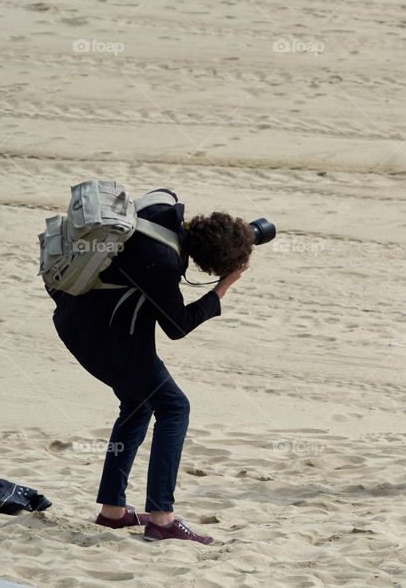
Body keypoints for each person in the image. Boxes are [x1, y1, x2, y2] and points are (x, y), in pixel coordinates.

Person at [47, 189, 253, 544]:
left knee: (138, 404)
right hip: (107, 340)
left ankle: (112, 512)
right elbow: (178, 326)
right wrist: (222, 288)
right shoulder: (162, 262)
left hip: (77, 319)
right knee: (174, 407)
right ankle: (162, 518)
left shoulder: (162, 209)